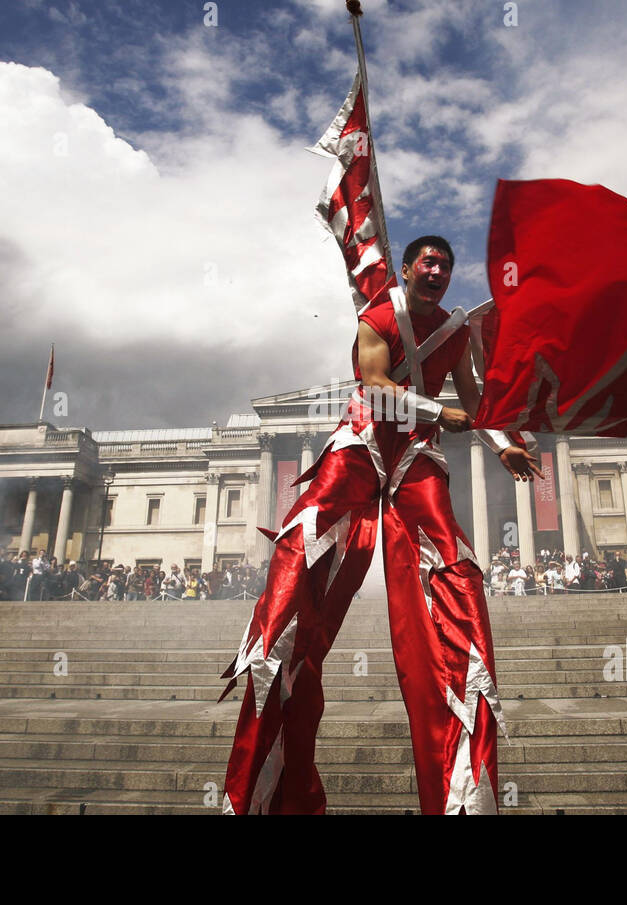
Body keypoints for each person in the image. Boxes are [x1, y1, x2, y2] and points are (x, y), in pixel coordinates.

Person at [221, 236, 540, 815]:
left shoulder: (457, 330)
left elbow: (477, 398)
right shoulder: (377, 316)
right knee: (304, 545)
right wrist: (437, 411)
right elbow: (373, 386)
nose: (438, 270)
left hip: (417, 454)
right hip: (362, 442)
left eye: (446, 264)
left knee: (452, 562)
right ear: (407, 267)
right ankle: (272, 758)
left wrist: (500, 444)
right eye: (429, 261)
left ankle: (461, 787)